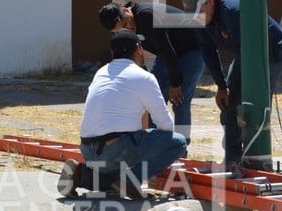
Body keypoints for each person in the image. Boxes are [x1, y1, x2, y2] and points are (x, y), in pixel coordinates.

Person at [57, 29, 188, 200]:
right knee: (178, 142)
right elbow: (165, 125)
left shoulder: (101, 72)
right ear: (138, 49)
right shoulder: (144, 77)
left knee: (116, 180)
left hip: (88, 150)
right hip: (117, 147)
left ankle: (81, 174)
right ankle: (131, 181)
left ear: (113, 52)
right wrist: (163, 151)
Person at [181, 0, 282, 168]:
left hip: (271, 54)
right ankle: (233, 158)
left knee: (254, 104)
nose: (196, 19)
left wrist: (234, 88)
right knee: (229, 104)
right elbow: (208, 51)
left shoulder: (233, 10)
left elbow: (250, 51)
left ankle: (255, 159)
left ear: (208, 1)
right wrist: (222, 87)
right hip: (245, 55)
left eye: (198, 13)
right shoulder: (200, 20)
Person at [98, 1, 204, 139]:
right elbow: (137, 58)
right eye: (120, 30)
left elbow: (167, 50)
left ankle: (181, 148)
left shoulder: (147, 16)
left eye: (125, 25)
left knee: (180, 100)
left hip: (192, 48)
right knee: (152, 98)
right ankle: (156, 144)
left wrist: (175, 83)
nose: (127, 30)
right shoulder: (123, 31)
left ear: (126, 11)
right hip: (167, 53)